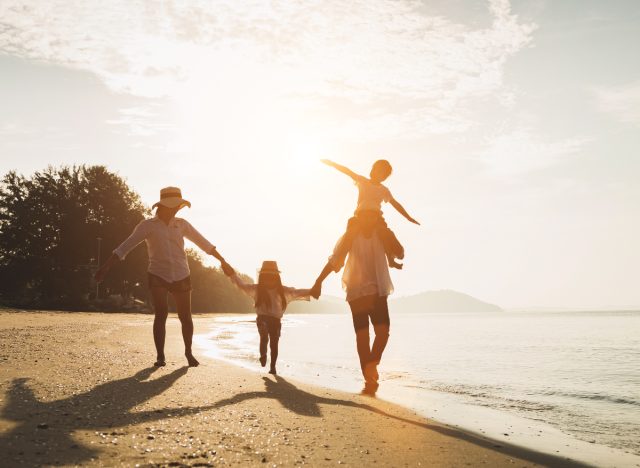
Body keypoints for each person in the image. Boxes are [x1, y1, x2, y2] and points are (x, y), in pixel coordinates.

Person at [94, 186, 230, 367]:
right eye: (174, 206)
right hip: (158, 273)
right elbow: (125, 246)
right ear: (163, 206)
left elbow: (203, 243)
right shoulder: (147, 226)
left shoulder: (182, 224)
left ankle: (189, 353)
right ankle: (160, 356)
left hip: (181, 273)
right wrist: (105, 267)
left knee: (185, 316)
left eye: (178, 207)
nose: (176, 209)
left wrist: (223, 261)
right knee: (161, 313)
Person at [321, 159, 419, 270]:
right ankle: (340, 260)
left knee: (384, 233)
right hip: (360, 217)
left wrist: (408, 217)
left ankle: (391, 260)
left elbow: (395, 204)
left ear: (384, 177)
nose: (376, 172)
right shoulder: (362, 181)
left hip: (376, 218)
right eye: (375, 169)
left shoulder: (384, 190)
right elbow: (347, 171)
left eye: (380, 172)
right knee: (349, 235)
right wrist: (332, 163)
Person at [222, 261, 312, 375]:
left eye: (272, 277)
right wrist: (232, 275)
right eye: (267, 277)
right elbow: (242, 285)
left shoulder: (282, 290)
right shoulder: (257, 289)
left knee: (274, 344)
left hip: (275, 321)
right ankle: (263, 355)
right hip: (262, 319)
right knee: (265, 338)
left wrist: (313, 290)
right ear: (262, 277)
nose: (269, 280)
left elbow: (297, 292)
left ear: (276, 277)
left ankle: (273, 367)